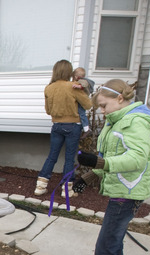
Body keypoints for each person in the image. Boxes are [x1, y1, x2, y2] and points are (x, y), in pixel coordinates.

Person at [73, 79, 150, 255]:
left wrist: (100, 163)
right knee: (112, 247)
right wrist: (90, 176)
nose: (102, 112)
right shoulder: (118, 120)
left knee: (106, 249)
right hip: (122, 191)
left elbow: (137, 159)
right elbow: (111, 156)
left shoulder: (135, 122)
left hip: (128, 193)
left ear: (120, 99)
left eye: (104, 106)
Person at [34, 59, 92, 199]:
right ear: (69, 72)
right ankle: (67, 190)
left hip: (57, 126)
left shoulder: (49, 88)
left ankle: (40, 187)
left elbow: (48, 111)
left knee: (52, 156)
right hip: (73, 126)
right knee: (69, 158)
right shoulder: (73, 86)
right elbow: (88, 104)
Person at [72, 67, 95, 135]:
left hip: (82, 100)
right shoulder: (81, 80)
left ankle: (86, 129)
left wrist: (77, 86)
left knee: (81, 113)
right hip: (82, 99)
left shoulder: (83, 81)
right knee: (81, 113)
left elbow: (83, 85)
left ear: (78, 76)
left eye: (76, 76)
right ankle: (85, 126)